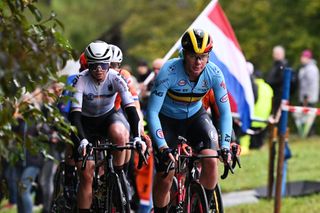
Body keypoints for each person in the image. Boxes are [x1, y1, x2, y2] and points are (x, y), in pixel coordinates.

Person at [147, 28, 232, 212]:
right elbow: (152, 112)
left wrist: (225, 145)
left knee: (211, 159)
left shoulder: (214, 73)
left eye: (203, 56)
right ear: (184, 54)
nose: (198, 61)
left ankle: (201, 206)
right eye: (193, 56)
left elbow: (225, 112)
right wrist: (162, 147)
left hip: (195, 117)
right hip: (167, 120)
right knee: (166, 173)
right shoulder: (169, 71)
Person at [69, 40, 146, 212]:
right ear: (88, 65)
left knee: (120, 133)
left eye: (103, 65)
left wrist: (137, 137)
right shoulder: (80, 80)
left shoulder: (116, 77)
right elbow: (74, 116)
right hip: (85, 123)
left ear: (109, 64)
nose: (99, 70)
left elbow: (131, 110)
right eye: (94, 66)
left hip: (107, 118)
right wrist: (82, 140)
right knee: (86, 174)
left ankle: (118, 176)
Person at [295, 49, 319, 137]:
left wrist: (307, 96)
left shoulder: (311, 69)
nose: (302, 59)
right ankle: (305, 134)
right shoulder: (305, 68)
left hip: (309, 96)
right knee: (305, 115)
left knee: (309, 116)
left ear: (308, 58)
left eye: (303, 57)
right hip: (304, 96)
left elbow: (310, 84)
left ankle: (310, 134)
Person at [266, 45, 289, 121]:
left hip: (279, 94)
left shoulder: (282, 65)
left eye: (278, 54)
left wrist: (269, 83)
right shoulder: (276, 65)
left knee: (277, 115)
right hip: (274, 94)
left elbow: (280, 79)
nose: (276, 55)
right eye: (276, 53)